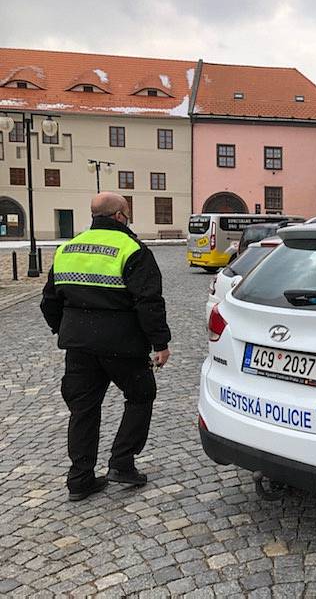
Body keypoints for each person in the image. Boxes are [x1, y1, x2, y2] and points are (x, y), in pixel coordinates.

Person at [41, 192, 171, 501]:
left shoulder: (67, 249)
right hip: (122, 345)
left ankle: (80, 479)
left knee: (83, 409)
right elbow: (148, 302)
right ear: (119, 215)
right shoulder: (132, 249)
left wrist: (67, 329)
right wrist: (160, 343)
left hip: (79, 347)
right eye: (127, 212)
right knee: (141, 395)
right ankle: (122, 463)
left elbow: (49, 301)